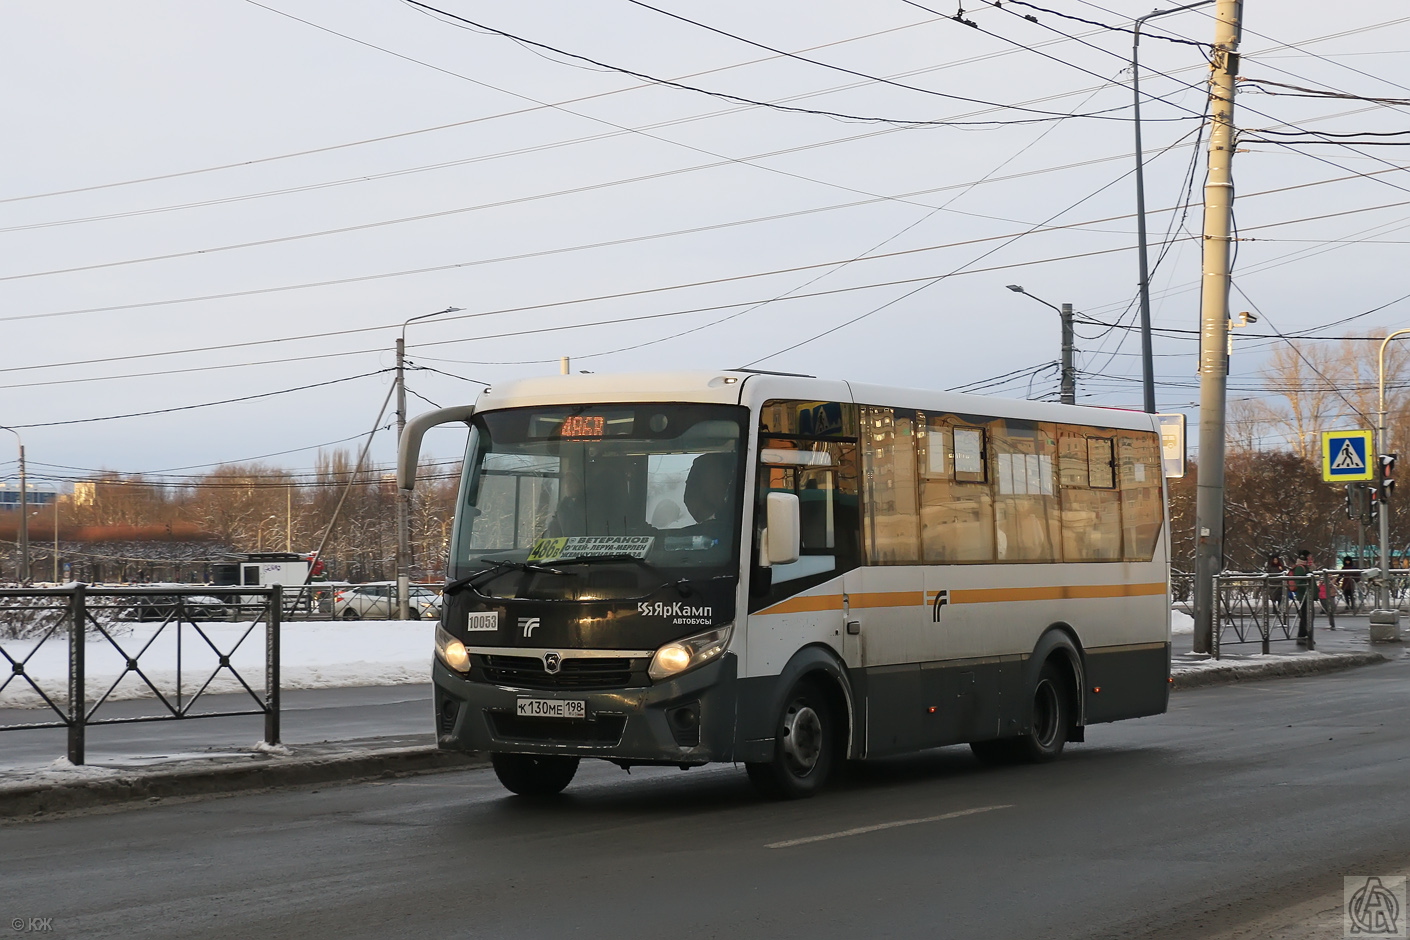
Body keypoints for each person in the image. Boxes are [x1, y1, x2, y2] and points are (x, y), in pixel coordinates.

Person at [1290, 549, 1315, 642]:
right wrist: (1308, 590)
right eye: (1309, 556)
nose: (1311, 558)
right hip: (1304, 595)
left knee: (1308, 615)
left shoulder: (1306, 567)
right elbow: (1299, 582)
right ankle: (1302, 636)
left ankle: (1305, 636)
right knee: (1306, 616)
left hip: (1307, 594)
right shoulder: (1300, 568)